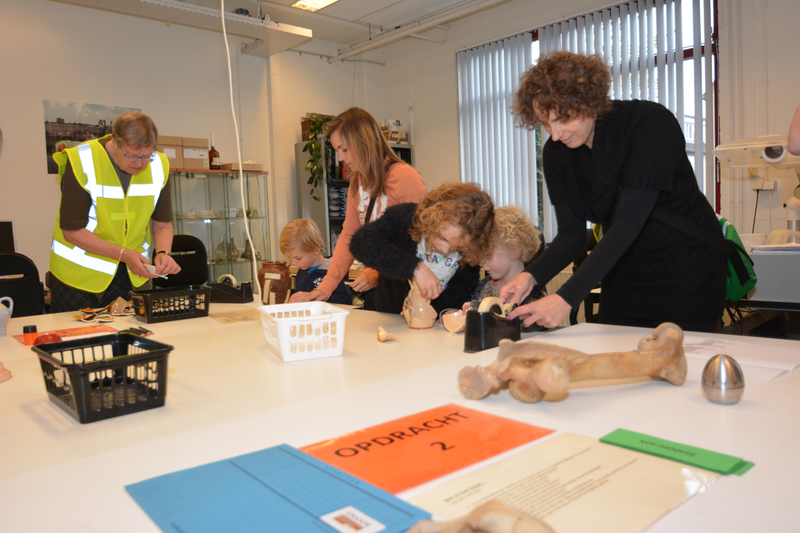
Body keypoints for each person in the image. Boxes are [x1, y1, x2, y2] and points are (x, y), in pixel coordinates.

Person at [502, 51, 726, 332]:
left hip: (686, 269)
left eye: (563, 119)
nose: (555, 134)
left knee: (682, 357)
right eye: (546, 123)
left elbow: (628, 221)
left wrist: (566, 298)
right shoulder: (556, 153)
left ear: (588, 101)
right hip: (625, 272)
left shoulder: (648, 123)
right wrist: (531, 276)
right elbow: (571, 235)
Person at [288, 107, 427, 306]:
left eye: (344, 149)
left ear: (364, 142)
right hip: (379, 291)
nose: (340, 158)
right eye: (337, 151)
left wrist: (375, 274)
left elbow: (420, 242)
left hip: (409, 290)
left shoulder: (405, 177)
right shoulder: (357, 183)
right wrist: (325, 287)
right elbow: (348, 237)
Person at [49, 111, 180, 312]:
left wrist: (163, 253)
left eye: (147, 156)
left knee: (134, 330)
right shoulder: (82, 160)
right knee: (81, 332)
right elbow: (71, 231)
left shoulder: (159, 165)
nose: (140, 163)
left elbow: (162, 224)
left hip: (133, 274)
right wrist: (124, 254)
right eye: (132, 155)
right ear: (115, 142)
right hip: (78, 279)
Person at [349, 182, 494, 315]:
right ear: (432, 218)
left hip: (435, 328)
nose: (445, 250)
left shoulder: (469, 248)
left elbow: (462, 292)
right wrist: (415, 268)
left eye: (456, 247)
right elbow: (360, 242)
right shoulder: (404, 218)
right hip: (391, 319)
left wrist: (434, 312)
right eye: (441, 238)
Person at [463, 206, 547, 332]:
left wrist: (478, 308)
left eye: (488, 255)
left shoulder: (532, 289)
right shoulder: (485, 284)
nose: (481, 262)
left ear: (514, 251)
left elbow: (532, 325)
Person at [279, 218, 352, 305]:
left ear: (316, 250)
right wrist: (287, 292)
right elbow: (302, 292)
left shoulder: (334, 272)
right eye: (289, 258)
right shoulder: (302, 271)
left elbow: (345, 301)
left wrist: (312, 298)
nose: (293, 263)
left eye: (298, 258)